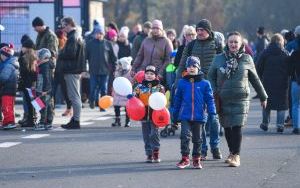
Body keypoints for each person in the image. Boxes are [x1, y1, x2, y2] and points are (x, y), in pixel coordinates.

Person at [208, 31, 268, 167]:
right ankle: (231, 152)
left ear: (241, 44)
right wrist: (214, 90)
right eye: (231, 42)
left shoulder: (247, 58)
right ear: (227, 43)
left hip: (241, 99)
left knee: (236, 127)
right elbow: (210, 76)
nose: (233, 44)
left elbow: (255, 79)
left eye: (236, 42)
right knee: (227, 128)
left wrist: (263, 96)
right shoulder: (218, 58)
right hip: (223, 99)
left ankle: (237, 155)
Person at [175, 19, 223, 161]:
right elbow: (182, 64)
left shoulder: (217, 44)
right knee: (199, 120)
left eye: (202, 30)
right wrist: (178, 83)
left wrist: (221, 85)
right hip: (194, 87)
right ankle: (202, 149)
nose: (200, 32)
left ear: (209, 30)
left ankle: (215, 147)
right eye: (198, 30)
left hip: (213, 87)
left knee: (214, 120)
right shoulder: (191, 45)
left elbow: (223, 64)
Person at [173, 56, 216, 169]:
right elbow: (177, 100)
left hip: (199, 115)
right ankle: (185, 158)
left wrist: (212, 111)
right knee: (185, 136)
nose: (191, 68)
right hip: (185, 115)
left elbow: (210, 99)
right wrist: (175, 116)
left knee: (198, 138)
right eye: (189, 66)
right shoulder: (182, 82)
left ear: (198, 67)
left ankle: (196, 159)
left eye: (194, 66)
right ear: (186, 68)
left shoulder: (205, 83)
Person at [257, 34, 289, 133]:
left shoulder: (265, 53)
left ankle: (265, 123)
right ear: (281, 41)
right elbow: (289, 68)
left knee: (267, 103)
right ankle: (280, 125)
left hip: (267, 82)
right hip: (282, 82)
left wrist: (261, 78)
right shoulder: (285, 53)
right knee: (281, 104)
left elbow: (259, 67)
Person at [133, 65, 165, 163]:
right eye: (147, 73)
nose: (149, 75)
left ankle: (156, 151)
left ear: (155, 76)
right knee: (146, 135)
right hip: (143, 114)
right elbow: (135, 99)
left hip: (155, 114)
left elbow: (163, 100)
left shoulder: (160, 87)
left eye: (152, 74)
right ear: (144, 75)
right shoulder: (139, 87)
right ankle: (149, 153)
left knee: (154, 133)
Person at [59, 17, 86, 129]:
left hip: (72, 69)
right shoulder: (75, 36)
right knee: (74, 95)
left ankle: (76, 120)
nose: (62, 28)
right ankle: (75, 119)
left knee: (74, 96)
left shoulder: (72, 37)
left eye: (64, 25)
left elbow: (71, 53)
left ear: (70, 24)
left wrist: (59, 53)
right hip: (74, 69)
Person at [32, 16, 58, 127]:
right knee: (38, 94)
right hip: (40, 65)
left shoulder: (50, 36)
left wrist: (41, 55)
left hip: (47, 67)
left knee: (47, 94)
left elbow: (52, 52)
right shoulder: (40, 35)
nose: (34, 30)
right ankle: (43, 117)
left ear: (39, 25)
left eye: (35, 27)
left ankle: (48, 119)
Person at [85, 25, 117, 109]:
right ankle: (92, 101)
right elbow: (85, 57)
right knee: (93, 88)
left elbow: (113, 58)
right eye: (96, 33)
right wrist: (85, 68)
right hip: (93, 70)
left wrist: (114, 68)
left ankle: (102, 106)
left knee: (104, 89)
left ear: (103, 34)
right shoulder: (90, 44)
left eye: (100, 33)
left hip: (105, 70)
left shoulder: (108, 43)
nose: (98, 35)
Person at [18, 37, 37, 127]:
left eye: (23, 47)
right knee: (33, 102)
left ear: (27, 48)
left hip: (26, 83)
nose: (22, 48)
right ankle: (34, 119)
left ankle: (30, 120)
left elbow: (22, 72)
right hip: (32, 83)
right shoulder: (34, 57)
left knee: (29, 102)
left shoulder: (23, 58)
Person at [53, 29, 72, 116]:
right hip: (60, 71)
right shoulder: (65, 41)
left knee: (54, 91)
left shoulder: (63, 43)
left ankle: (52, 110)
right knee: (64, 91)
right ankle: (69, 109)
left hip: (59, 70)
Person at [0, 44, 19, 130]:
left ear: (5, 55)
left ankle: (10, 122)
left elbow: (4, 77)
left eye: (1, 54)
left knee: (7, 107)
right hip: (8, 89)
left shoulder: (9, 65)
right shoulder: (8, 63)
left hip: (8, 89)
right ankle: (6, 121)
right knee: (7, 106)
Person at [34, 48, 53, 130]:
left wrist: (45, 90)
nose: (38, 57)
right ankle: (48, 122)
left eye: (39, 56)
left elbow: (46, 79)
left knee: (43, 106)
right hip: (42, 89)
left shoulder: (45, 66)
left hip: (44, 90)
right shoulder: (43, 65)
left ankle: (43, 122)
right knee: (45, 105)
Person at [112, 57, 134, 127]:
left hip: (126, 92)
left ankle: (128, 121)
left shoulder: (130, 72)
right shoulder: (118, 71)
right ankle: (117, 119)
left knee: (127, 107)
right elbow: (116, 79)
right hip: (118, 92)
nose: (119, 66)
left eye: (120, 64)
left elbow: (132, 81)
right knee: (116, 106)